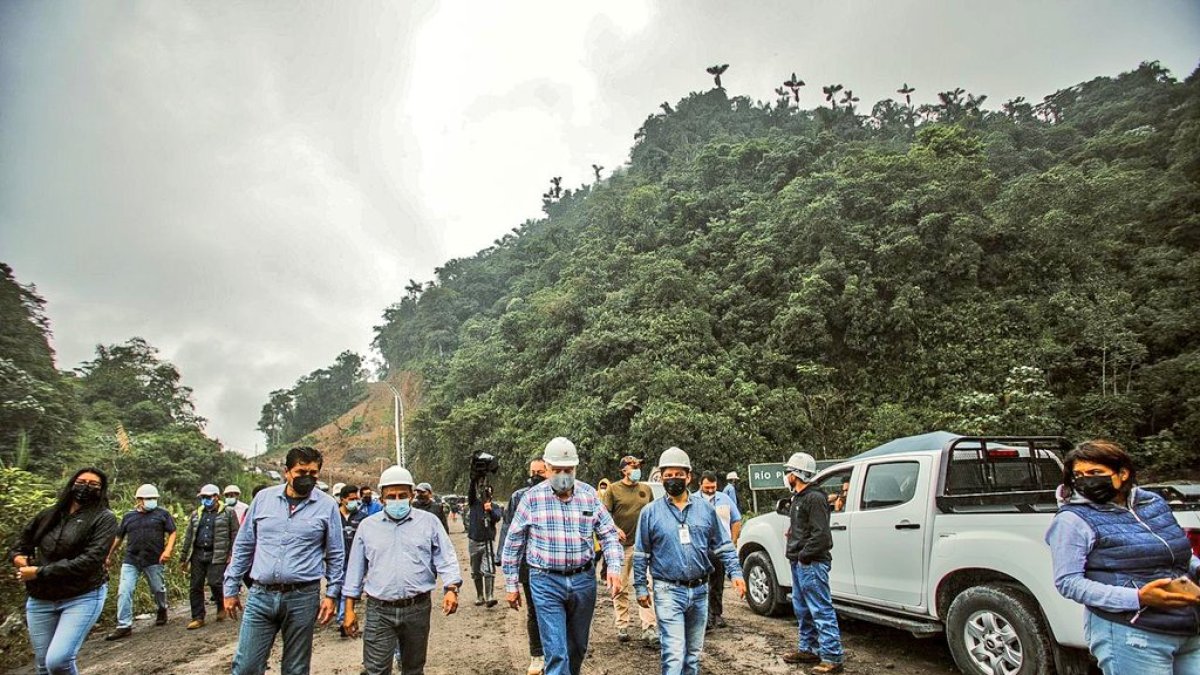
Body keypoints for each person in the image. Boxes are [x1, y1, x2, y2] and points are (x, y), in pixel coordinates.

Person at [1046, 440, 1200, 674]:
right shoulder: (1072, 520)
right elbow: (1069, 582)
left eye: (1095, 472)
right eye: (1078, 475)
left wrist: (1196, 568)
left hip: (1187, 626)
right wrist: (1138, 598)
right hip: (1132, 633)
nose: (1086, 480)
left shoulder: (1153, 503)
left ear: (1123, 473)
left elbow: (1180, 555)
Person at [503, 437, 624, 675]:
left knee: (577, 647)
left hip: (583, 580)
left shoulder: (589, 495)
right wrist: (511, 584)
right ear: (547, 468)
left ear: (575, 469)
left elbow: (609, 534)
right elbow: (514, 542)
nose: (562, 475)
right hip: (545, 580)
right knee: (557, 652)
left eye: (567, 470)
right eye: (557, 470)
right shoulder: (532, 499)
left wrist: (614, 568)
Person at [223, 446, 345, 675]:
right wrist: (230, 588)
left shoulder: (327, 505)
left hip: (302, 597)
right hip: (260, 596)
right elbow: (244, 545)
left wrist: (332, 595)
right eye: (301, 472)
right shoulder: (263, 499)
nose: (307, 478)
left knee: (296, 668)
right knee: (246, 666)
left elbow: (336, 554)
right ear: (286, 472)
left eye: (313, 473)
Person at [634, 448, 745, 675]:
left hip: (700, 591)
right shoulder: (650, 513)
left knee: (692, 656)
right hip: (668, 590)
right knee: (674, 654)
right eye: (668, 475)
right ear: (661, 478)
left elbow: (723, 544)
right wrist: (640, 587)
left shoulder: (705, 510)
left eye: (678, 474)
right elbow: (641, 554)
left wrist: (736, 572)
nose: (673, 479)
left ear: (688, 477)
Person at [343, 465, 462, 675]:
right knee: (375, 669)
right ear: (382, 498)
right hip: (379, 610)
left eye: (402, 495)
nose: (396, 500)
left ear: (411, 496)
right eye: (391, 496)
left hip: (417, 608)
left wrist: (451, 588)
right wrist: (349, 609)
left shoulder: (429, 523)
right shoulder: (367, 527)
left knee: (413, 669)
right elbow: (355, 570)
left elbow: (446, 557)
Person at [10, 467, 118, 675]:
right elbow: (21, 544)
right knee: (43, 665)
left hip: (83, 595)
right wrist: (19, 558)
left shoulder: (104, 519)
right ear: (72, 484)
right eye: (81, 482)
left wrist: (39, 572)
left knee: (58, 661)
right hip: (41, 598)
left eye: (93, 484)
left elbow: (90, 561)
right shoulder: (48, 515)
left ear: (101, 490)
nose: (86, 488)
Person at [780, 452, 844, 674]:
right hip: (800, 562)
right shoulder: (799, 498)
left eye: (788, 472)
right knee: (803, 609)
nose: (786, 476)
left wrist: (804, 555)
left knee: (820, 609)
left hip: (811, 563)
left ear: (796, 474)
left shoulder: (814, 498)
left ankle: (832, 656)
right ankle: (808, 649)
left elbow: (822, 536)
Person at [498, 458, 550, 675]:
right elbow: (508, 529)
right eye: (533, 471)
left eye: (540, 471)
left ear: (549, 471)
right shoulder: (519, 497)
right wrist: (504, 559)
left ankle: (557, 652)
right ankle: (537, 655)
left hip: (552, 563)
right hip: (528, 565)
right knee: (534, 611)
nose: (536, 475)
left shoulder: (558, 495)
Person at [106, 483, 176, 640]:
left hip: (154, 558)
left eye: (154, 498)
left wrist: (168, 550)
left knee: (158, 589)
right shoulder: (128, 517)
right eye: (148, 498)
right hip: (131, 559)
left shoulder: (162, 514)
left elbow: (172, 532)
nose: (152, 501)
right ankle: (124, 625)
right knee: (124, 590)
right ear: (139, 500)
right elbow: (118, 537)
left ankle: (162, 608)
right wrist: (109, 555)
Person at [601, 455, 658, 645]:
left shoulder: (646, 489)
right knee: (621, 586)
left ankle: (649, 627)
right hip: (622, 546)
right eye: (633, 466)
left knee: (647, 585)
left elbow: (653, 513)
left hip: (644, 546)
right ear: (623, 470)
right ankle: (622, 624)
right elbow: (604, 515)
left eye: (638, 466)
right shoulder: (613, 489)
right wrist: (614, 529)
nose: (637, 469)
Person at [179, 483, 240, 630]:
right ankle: (198, 617)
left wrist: (232, 554)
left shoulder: (228, 513)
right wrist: (183, 556)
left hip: (218, 553)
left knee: (215, 582)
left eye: (208, 497)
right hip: (198, 553)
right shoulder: (196, 514)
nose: (205, 500)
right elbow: (189, 536)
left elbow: (235, 534)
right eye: (203, 497)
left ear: (216, 497)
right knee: (195, 585)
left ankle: (221, 605)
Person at [697, 471, 742, 630]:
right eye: (707, 487)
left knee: (717, 582)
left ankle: (716, 613)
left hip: (720, 548)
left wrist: (732, 541)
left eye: (713, 487)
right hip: (701, 548)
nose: (710, 490)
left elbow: (736, 520)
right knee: (702, 583)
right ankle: (704, 616)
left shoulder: (725, 499)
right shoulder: (693, 500)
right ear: (700, 485)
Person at [467, 473, 504, 607]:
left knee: (489, 569)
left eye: (488, 492)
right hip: (474, 540)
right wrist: (474, 479)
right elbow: (471, 493)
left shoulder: (495, 507)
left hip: (488, 541)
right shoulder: (474, 504)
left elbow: (497, 518)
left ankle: (489, 596)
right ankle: (480, 595)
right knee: (475, 570)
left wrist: (490, 510)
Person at [335, 484, 368, 636]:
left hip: (355, 562)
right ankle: (342, 616)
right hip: (336, 561)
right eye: (351, 499)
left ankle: (343, 620)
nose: (354, 502)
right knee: (338, 589)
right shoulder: (333, 516)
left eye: (356, 499)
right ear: (342, 500)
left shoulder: (362, 518)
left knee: (348, 590)